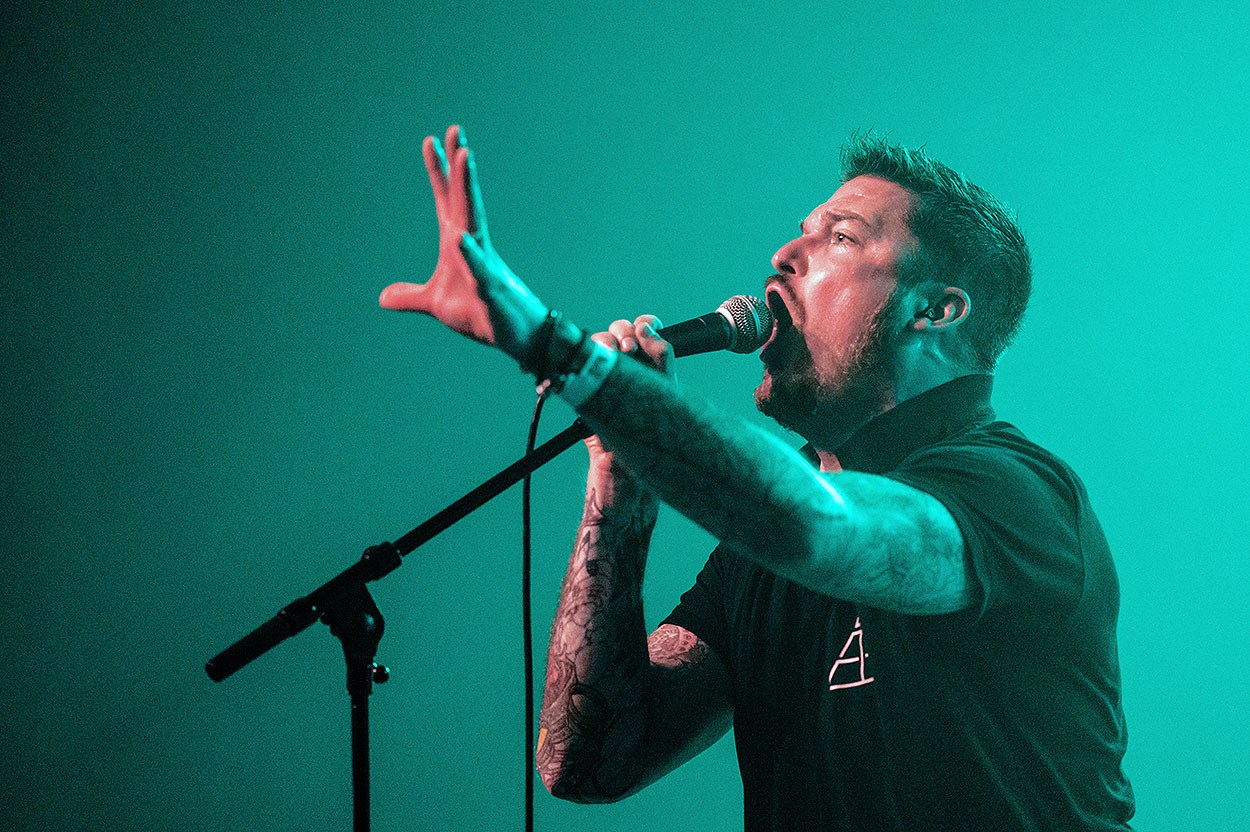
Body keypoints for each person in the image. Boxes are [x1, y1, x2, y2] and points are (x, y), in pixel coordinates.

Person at [380, 125, 1135, 831]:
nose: (784, 254)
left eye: (841, 237)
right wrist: (622, 482)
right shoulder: (754, 556)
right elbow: (586, 761)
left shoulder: (1015, 490)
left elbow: (817, 527)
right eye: (803, 231)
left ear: (936, 310)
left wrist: (565, 355)